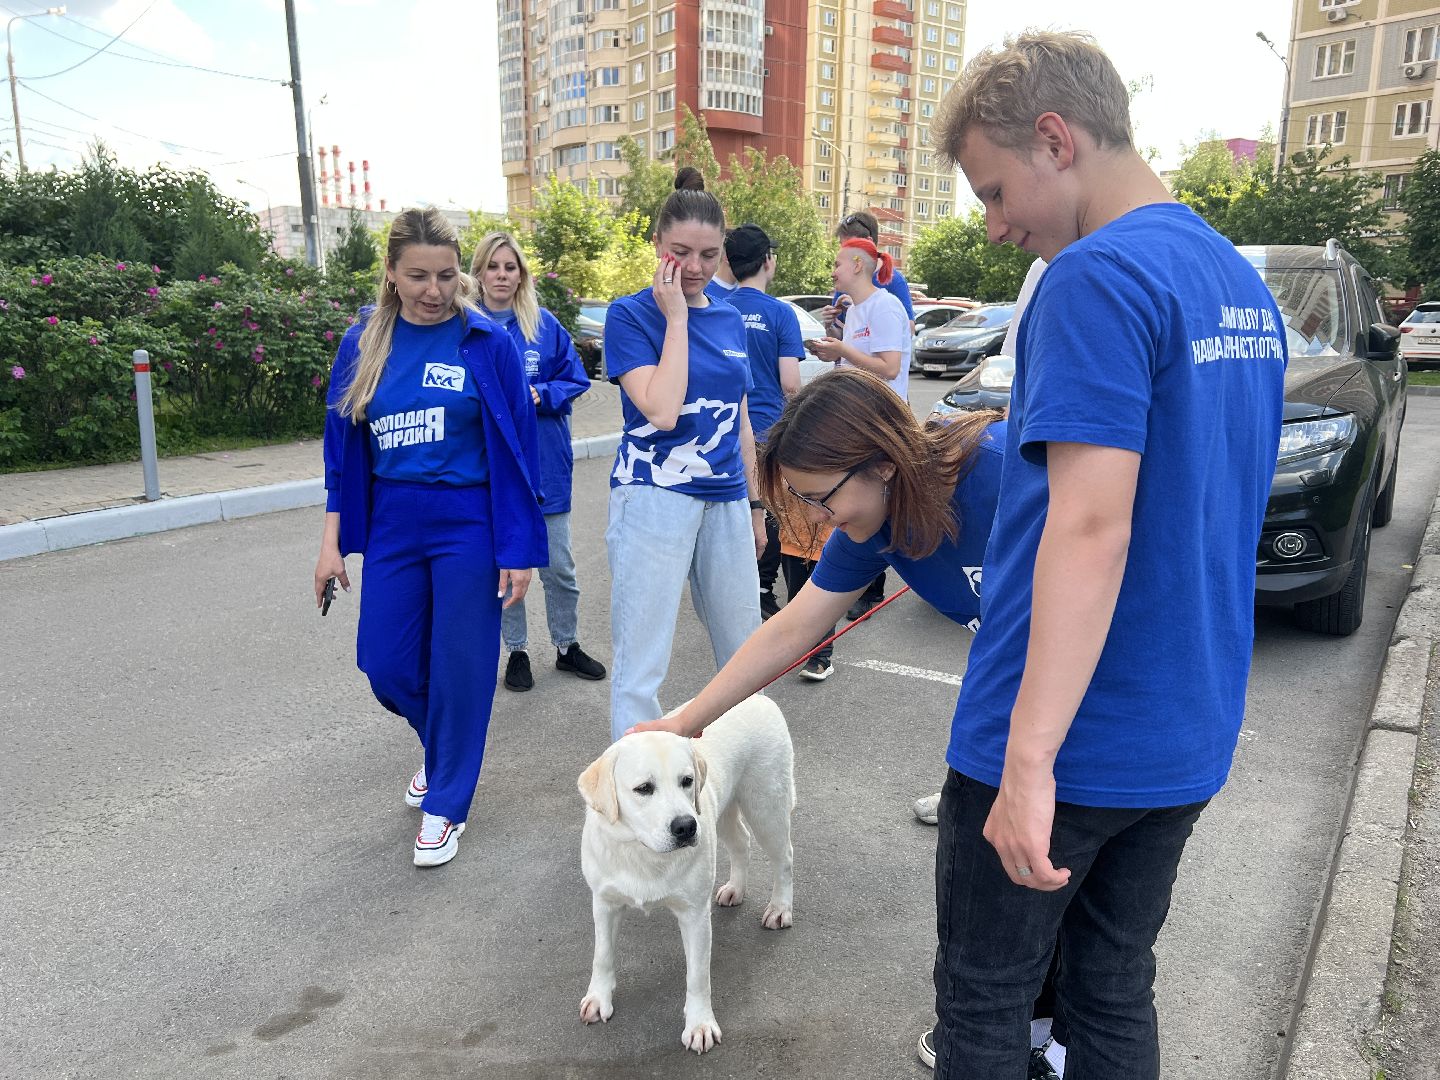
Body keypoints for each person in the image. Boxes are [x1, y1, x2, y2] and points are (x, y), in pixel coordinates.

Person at [920, 30, 1286, 1077]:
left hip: (1070, 738)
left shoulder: (1095, 277)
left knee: (986, 1001)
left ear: (1055, 139)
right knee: (1112, 988)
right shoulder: (1236, 284)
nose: (997, 228)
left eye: (995, 192)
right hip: (1184, 731)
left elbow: (1092, 525)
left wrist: (1027, 761)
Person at [315, 207, 547, 868]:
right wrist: (331, 543)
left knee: (461, 665)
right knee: (384, 663)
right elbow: (340, 455)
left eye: (446, 275)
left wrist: (518, 549)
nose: (434, 290)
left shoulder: (486, 341)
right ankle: (445, 750)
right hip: (393, 518)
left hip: (468, 521)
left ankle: (446, 805)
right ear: (391, 272)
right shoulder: (364, 342)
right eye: (418, 276)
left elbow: (520, 451)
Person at [603, 172, 769, 742]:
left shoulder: (729, 317)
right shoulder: (629, 316)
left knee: (746, 651)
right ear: (657, 244)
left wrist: (755, 507)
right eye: (680, 252)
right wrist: (676, 317)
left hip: (725, 499)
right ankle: (633, 783)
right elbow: (662, 410)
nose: (695, 267)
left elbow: (740, 419)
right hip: (653, 496)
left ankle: (742, 762)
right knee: (642, 661)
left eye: (709, 254)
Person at [471, 231, 607, 692]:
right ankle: (517, 651)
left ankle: (567, 645)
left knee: (559, 568)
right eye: (493, 267)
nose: (501, 275)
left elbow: (575, 379)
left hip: (546, 467)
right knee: (505, 567)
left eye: (510, 267)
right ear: (479, 273)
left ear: (521, 274)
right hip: (493, 471)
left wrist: (541, 394)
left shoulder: (543, 325)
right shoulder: (466, 327)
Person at [817, 219, 914, 623]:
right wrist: (833, 340)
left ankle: (871, 591)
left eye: (837, 264)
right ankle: (856, 585)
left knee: (875, 505)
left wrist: (841, 349)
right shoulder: (856, 310)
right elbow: (857, 362)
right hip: (859, 418)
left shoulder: (885, 306)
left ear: (857, 265)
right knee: (858, 506)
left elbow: (888, 368)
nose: (833, 272)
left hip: (883, 422)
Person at [719, 222, 804, 622]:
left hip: (723, 428)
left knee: (731, 507)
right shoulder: (781, 313)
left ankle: (734, 586)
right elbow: (791, 383)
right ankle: (762, 589)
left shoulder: (717, 308)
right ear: (768, 260)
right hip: (767, 428)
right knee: (768, 509)